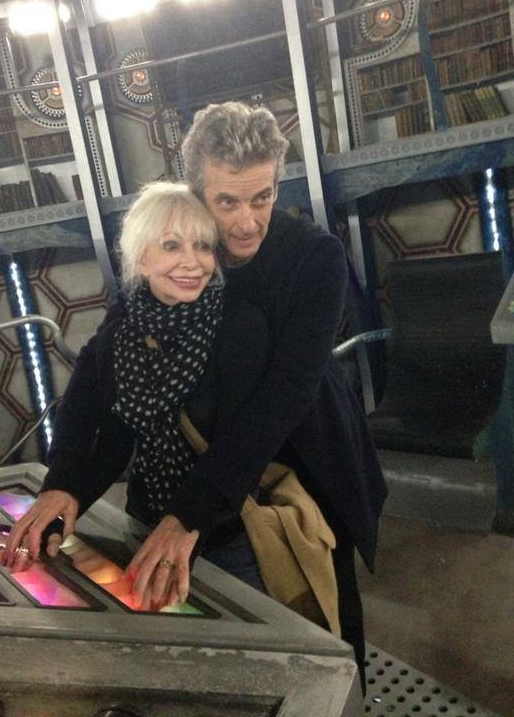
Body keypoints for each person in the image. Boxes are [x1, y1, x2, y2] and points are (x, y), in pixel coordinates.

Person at [179, 101, 388, 687]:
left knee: (331, 615)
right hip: (225, 458)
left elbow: (287, 392)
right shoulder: (181, 252)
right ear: (196, 193)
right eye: (227, 202)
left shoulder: (317, 256)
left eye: (262, 197)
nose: (247, 222)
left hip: (314, 450)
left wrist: (193, 506)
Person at [2, 181, 270, 609]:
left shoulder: (240, 326)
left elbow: (245, 442)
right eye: (172, 245)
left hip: (227, 531)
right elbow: (92, 423)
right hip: (145, 520)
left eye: (203, 246)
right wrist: (64, 489)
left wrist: (187, 520)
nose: (192, 262)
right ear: (141, 258)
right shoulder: (121, 333)